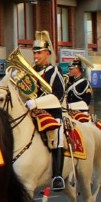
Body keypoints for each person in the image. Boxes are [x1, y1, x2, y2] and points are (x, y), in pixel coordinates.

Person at [26, 30, 67, 190]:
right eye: (35, 53)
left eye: (39, 53)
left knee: (57, 137)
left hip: (51, 114)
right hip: (32, 113)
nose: (36, 56)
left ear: (48, 53)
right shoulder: (32, 71)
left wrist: (35, 102)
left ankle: (57, 175)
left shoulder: (55, 72)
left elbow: (58, 96)